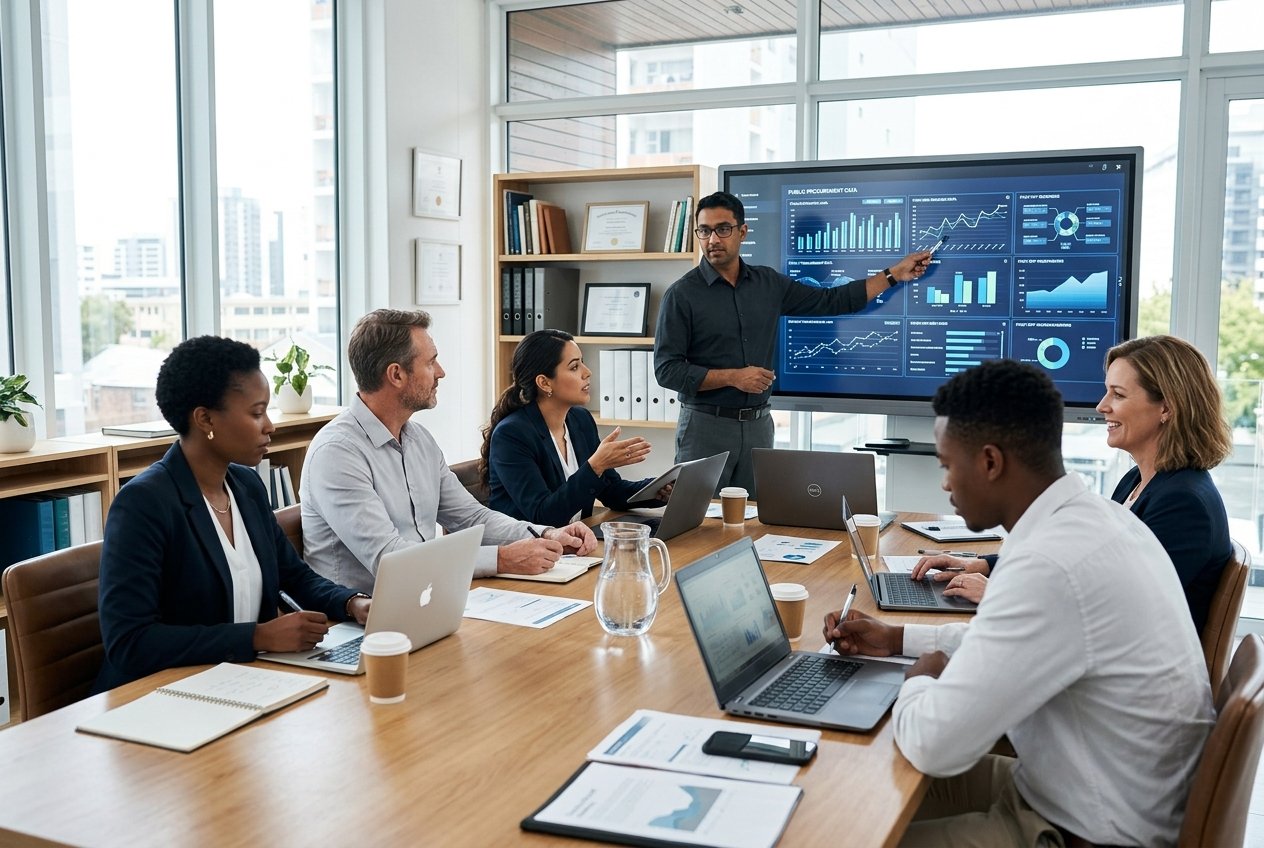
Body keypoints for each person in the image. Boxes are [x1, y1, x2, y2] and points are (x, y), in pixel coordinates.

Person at [824, 359, 1212, 847]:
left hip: (1088, 830)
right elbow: (1011, 642)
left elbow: (935, 746)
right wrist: (899, 638)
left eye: (948, 466)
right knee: (852, 781)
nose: (945, 484)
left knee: (837, 822)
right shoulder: (1094, 520)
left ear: (990, 462)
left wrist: (918, 679)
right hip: (1084, 790)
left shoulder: (1050, 564)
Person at [95, 336, 371, 693]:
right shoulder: (144, 504)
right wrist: (256, 637)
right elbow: (129, 642)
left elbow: (295, 577)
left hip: (237, 682)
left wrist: (353, 603)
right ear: (204, 418)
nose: (269, 425)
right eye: (257, 413)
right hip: (158, 697)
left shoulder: (245, 486)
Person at [912, 335, 1233, 632]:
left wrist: (998, 594)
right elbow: (1089, 568)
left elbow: (1121, 608)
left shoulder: (1184, 503)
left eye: (1118, 394)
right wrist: (984, 565)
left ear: (1166, 407)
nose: (1101, 405)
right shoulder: (1139, 481)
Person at [653, 190, 933, 495]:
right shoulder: (682, 294)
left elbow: (831, 300)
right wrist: (735, 377)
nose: (712, 240)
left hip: (759, 427)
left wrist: (893, 274)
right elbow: (666, 370)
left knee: (755, 524)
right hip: (705, 428)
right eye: (704, 231)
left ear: (742, 232)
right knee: (697, 525)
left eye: (722, 229)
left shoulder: (768, 284)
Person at [301, 309, 598, 594]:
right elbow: (390, 560)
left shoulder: (419, 440)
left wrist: (546, 533)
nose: (441, 373)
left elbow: (470, 517)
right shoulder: (337, 453)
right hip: (359, 622)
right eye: (431, 363)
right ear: (396, 375)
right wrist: (501, 559)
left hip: (426, 599)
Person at [482, 329, 669, 526]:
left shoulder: (580, 420)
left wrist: (659, 488)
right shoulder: (512, 435)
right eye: (574, 367)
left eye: (582, 362)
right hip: (529, 548)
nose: (587, 372)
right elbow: (542, 515)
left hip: (575, 546)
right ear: (544, 383)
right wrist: (595, 466)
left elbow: (612, 492)